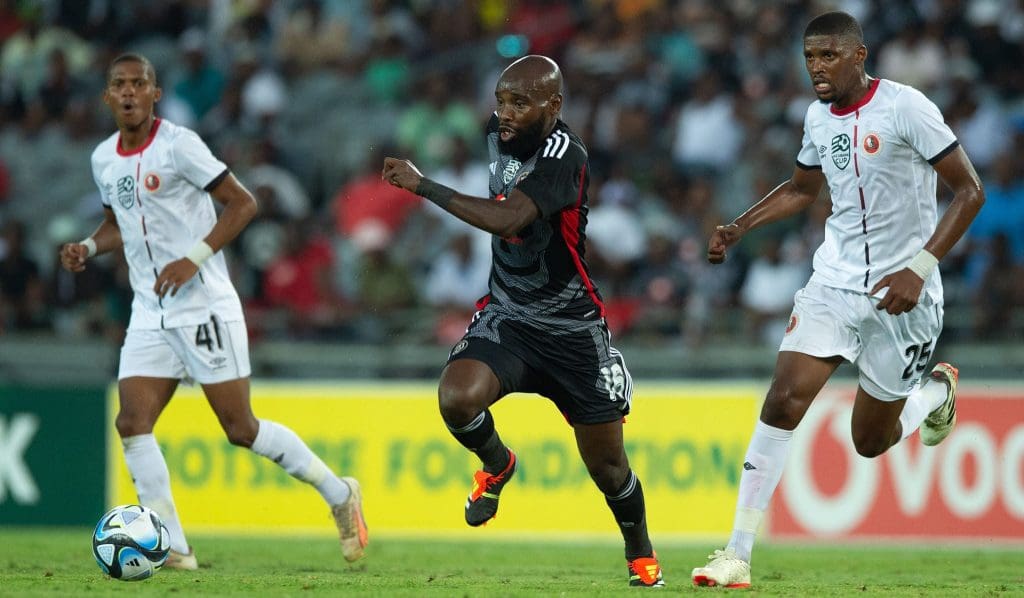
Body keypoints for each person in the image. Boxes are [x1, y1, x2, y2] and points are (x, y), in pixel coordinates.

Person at [690, 12, 984, 589]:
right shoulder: (816, 117)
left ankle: (934, 395)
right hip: (834, 284)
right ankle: (736, 553)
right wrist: (738, 226)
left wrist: (919, 269)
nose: (816, 69)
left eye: (828, 56)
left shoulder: (907, 107)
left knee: (869, 441)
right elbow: (803, 188)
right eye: (809, 58)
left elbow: (970, 191)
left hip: (906, 298)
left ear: (859, 55)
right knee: (782, 400)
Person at [58, 54, 367, 569]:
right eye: (120, 85)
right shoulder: (102, 160)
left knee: (240, 428)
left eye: (140, 84)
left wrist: (192, 259)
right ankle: (175, 546)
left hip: (202, 303)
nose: (130, 92)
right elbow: (120, 223)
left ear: (156, 93)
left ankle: (339, 494)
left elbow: (243, 203)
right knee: (132, 422)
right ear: (107, 97)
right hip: (149, 310)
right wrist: (88, 248)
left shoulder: (179, 145)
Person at [382, 55, 664, 588]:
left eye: (519, 103)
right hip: (509, 317)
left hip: (572, 329)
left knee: (608, 469)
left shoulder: (565, 155)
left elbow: (509, 217)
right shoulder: (498, 133)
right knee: (456, 398)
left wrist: (424, 186)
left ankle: (640, 552)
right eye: (500, 101)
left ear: (553, 106)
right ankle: (498, 464)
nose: (504, 114)